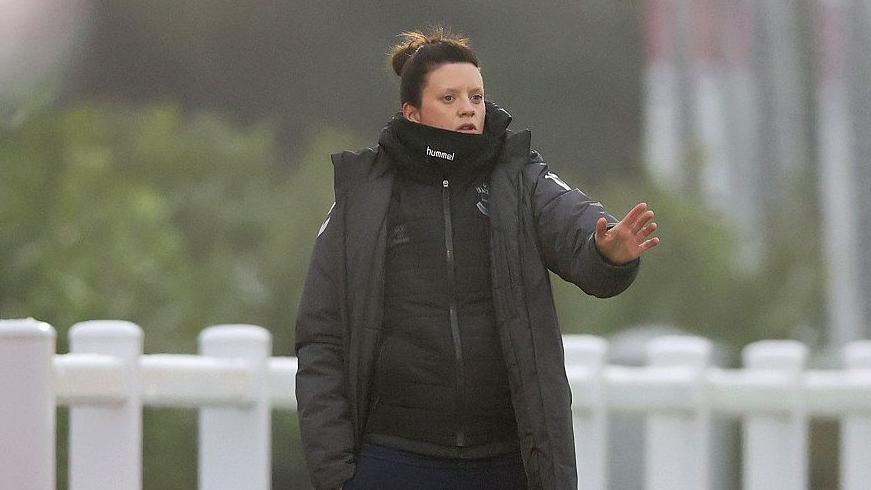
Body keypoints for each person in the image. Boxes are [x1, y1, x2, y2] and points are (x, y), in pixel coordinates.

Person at [294, 27, 659, 490]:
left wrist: (609, 253)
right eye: (449, 98)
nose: (468, 108)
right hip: (395, 457)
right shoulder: (363, 197)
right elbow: (320, 339)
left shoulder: (521, 179)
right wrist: (337, 476)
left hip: (504, 461)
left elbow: (582, 234)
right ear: (412, 112)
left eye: (476, 96)